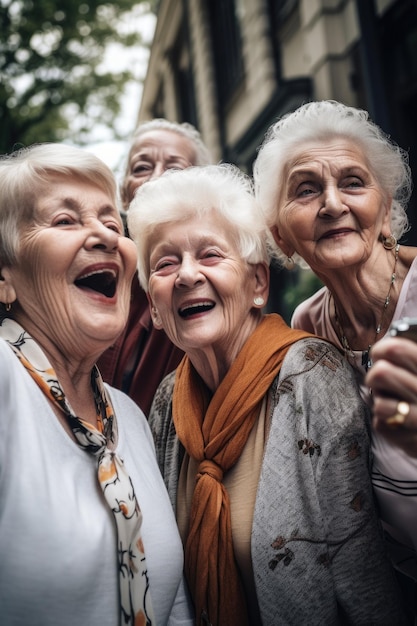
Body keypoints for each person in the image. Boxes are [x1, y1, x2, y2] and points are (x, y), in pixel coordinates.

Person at [127, 163, 404, 625]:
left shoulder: (314, 377)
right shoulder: (166, 400)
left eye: (210, 255)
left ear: (258, 283)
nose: (186, 275)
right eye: (165, 263)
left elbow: (364, 572)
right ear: (154, 308)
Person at [0, 143, 193, 626]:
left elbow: (174, 610)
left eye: (113, 224)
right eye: (65, 221)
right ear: (4, 279)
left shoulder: (129, 415)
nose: (105, 237)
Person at [253, 99, 417, 621]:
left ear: (385, 208)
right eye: (306, 189)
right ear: (281, 235)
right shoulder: (309, 326)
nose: (332, 203)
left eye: (352, 182)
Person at [98, 119, 212, 416]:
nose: (158, 179)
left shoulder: (212, 278)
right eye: (141, 168)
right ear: (124, 194)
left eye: (174, 168)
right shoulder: (96, 279)